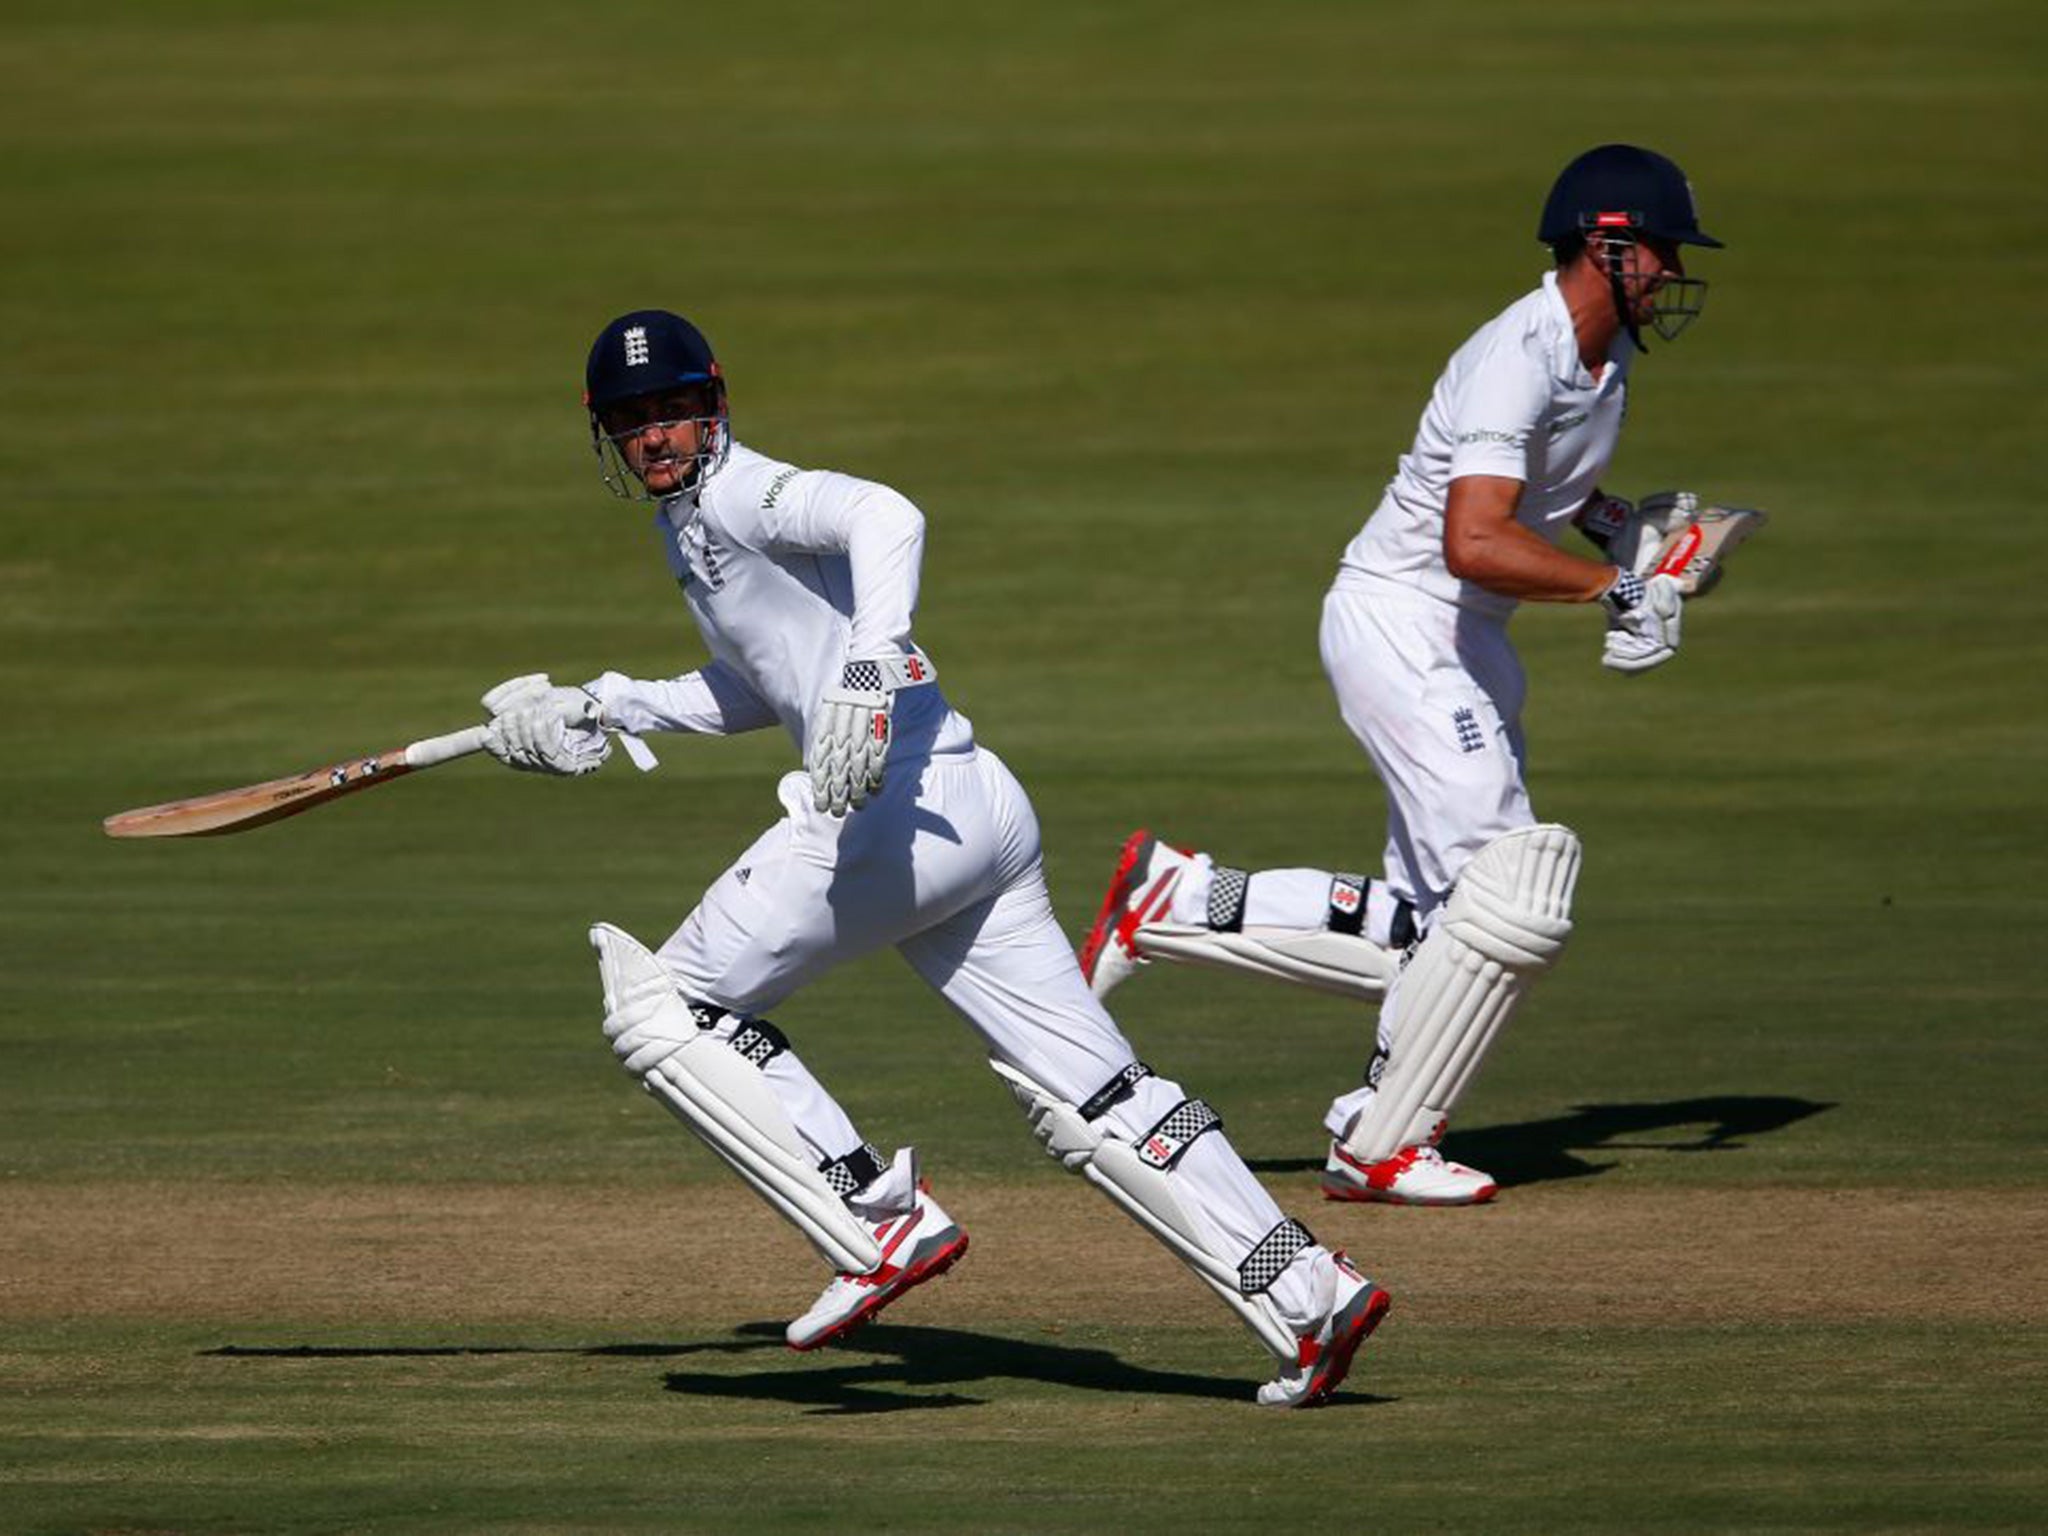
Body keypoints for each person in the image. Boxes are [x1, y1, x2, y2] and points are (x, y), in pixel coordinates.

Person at [474, 309, 1391, 1406]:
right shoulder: (688, 528)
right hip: (974, 814)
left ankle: (874, 1217)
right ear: (606, 436)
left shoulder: (738, 491)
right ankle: (1306, 1293)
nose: (656, 435)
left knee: (668, 1005)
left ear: (713, 405)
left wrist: (868, 671)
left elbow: (885, 513)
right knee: (1098, 1091)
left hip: (889, 818)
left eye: (673, 409)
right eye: (632, 420)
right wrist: (610, 705)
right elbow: (762, 680)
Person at [1080, 144, 1724, 1207]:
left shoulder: (1602, 362)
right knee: (1513, 896)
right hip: (1403, 621)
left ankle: (1185, 903)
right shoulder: (1516, 356)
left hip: (1467, 639)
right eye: (1659, 251)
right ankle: (1381, 1141)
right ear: (1605, 246)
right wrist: (1613, 593)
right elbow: (1471, 538)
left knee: (1446, 928)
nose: (1670, 273)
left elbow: (1538, 499)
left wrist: (1628, 532)